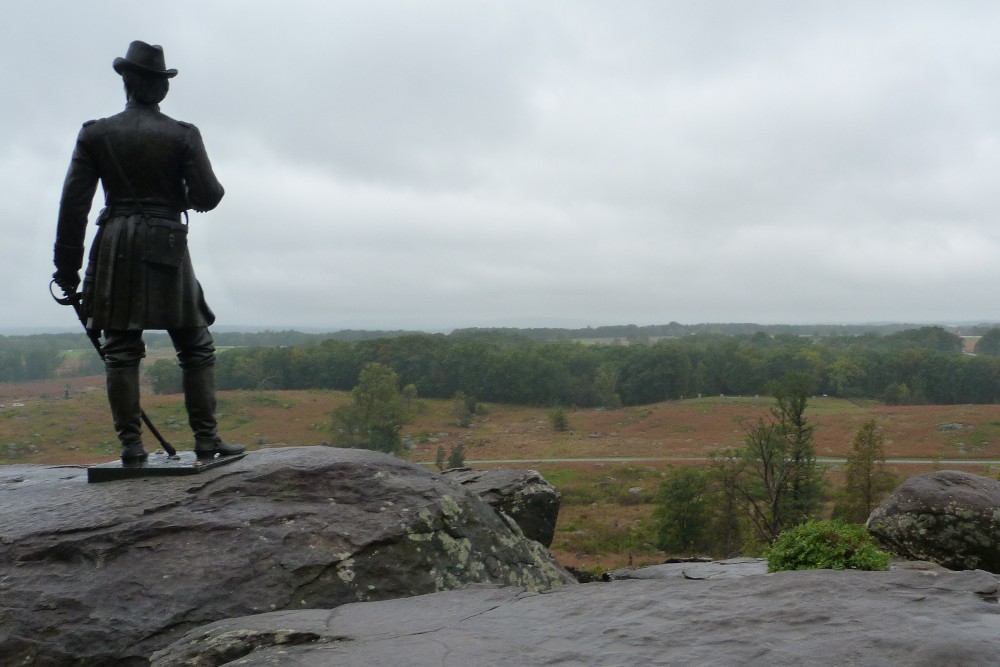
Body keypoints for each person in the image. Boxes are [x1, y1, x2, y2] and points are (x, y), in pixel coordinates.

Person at [52, 40, 244, 462]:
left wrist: (65, 269)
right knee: (195, 343)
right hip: (165, 242)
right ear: (161, 88)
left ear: (127, 83)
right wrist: (181, 194)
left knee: (121, 348)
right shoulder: (182, 135)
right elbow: (210, 195)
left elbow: (74, 206)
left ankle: (131, 448)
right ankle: (207, 439)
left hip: (116, 241)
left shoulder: (96, 134)